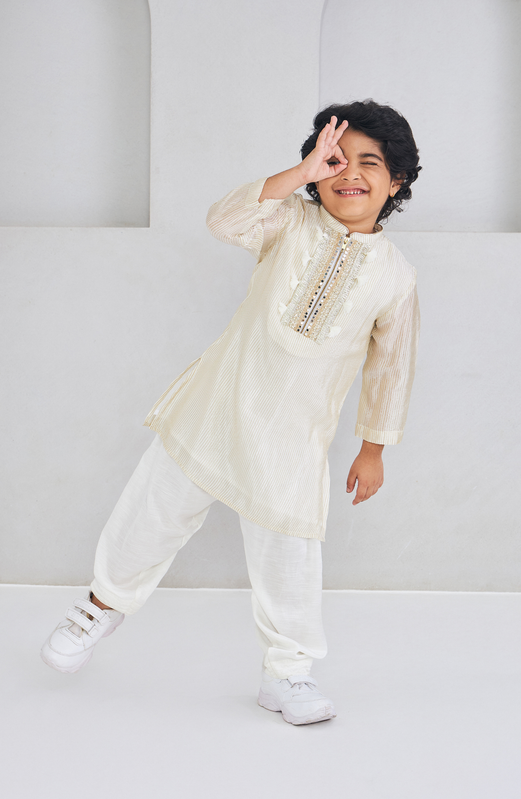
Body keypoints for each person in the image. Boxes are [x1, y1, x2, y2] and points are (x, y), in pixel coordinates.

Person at [41, 100, 421, 726]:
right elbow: (224, 220)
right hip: (217, 405)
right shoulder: (289, 222)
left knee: (290, 557)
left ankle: (288, 673)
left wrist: (373, 448)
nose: (348, 173)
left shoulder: (396, 278)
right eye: (334, 160)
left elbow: (392, 367)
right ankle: (99, 607)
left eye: (368, 163)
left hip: (293, 438)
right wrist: (297, 176)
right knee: (151, 511)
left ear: (397, 180)